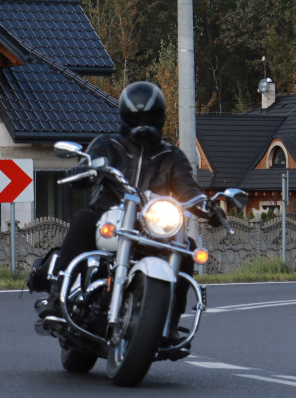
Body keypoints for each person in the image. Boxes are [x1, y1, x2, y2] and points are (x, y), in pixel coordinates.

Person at [34, 81, 219, 344]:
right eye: (136, 117)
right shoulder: (108, 145)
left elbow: (188, 188)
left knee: (186, 247)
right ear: (125, 117)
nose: (143, 122)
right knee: (85, 219)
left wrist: (208, 206)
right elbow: (90, 162)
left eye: (149, 116)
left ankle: (170, 321)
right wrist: (84, 171)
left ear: (160, 117)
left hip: (153, 228)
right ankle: (57, 295)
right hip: (109, 215)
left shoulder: (171, 156)